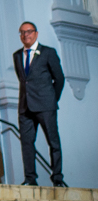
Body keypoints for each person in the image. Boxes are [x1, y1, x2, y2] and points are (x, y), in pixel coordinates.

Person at [13, 21, 66, 187]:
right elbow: (24, 81)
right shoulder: (17, 55)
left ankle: (57, 177)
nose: (25, 35)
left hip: (46, 106)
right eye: (22, 32)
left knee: (53, 142)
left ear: (36, 33)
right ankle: (30, 178)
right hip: (25, 107)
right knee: (26, 143)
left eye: (29, 31)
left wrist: (52, 99)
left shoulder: (48, 52)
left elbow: (59, 79)